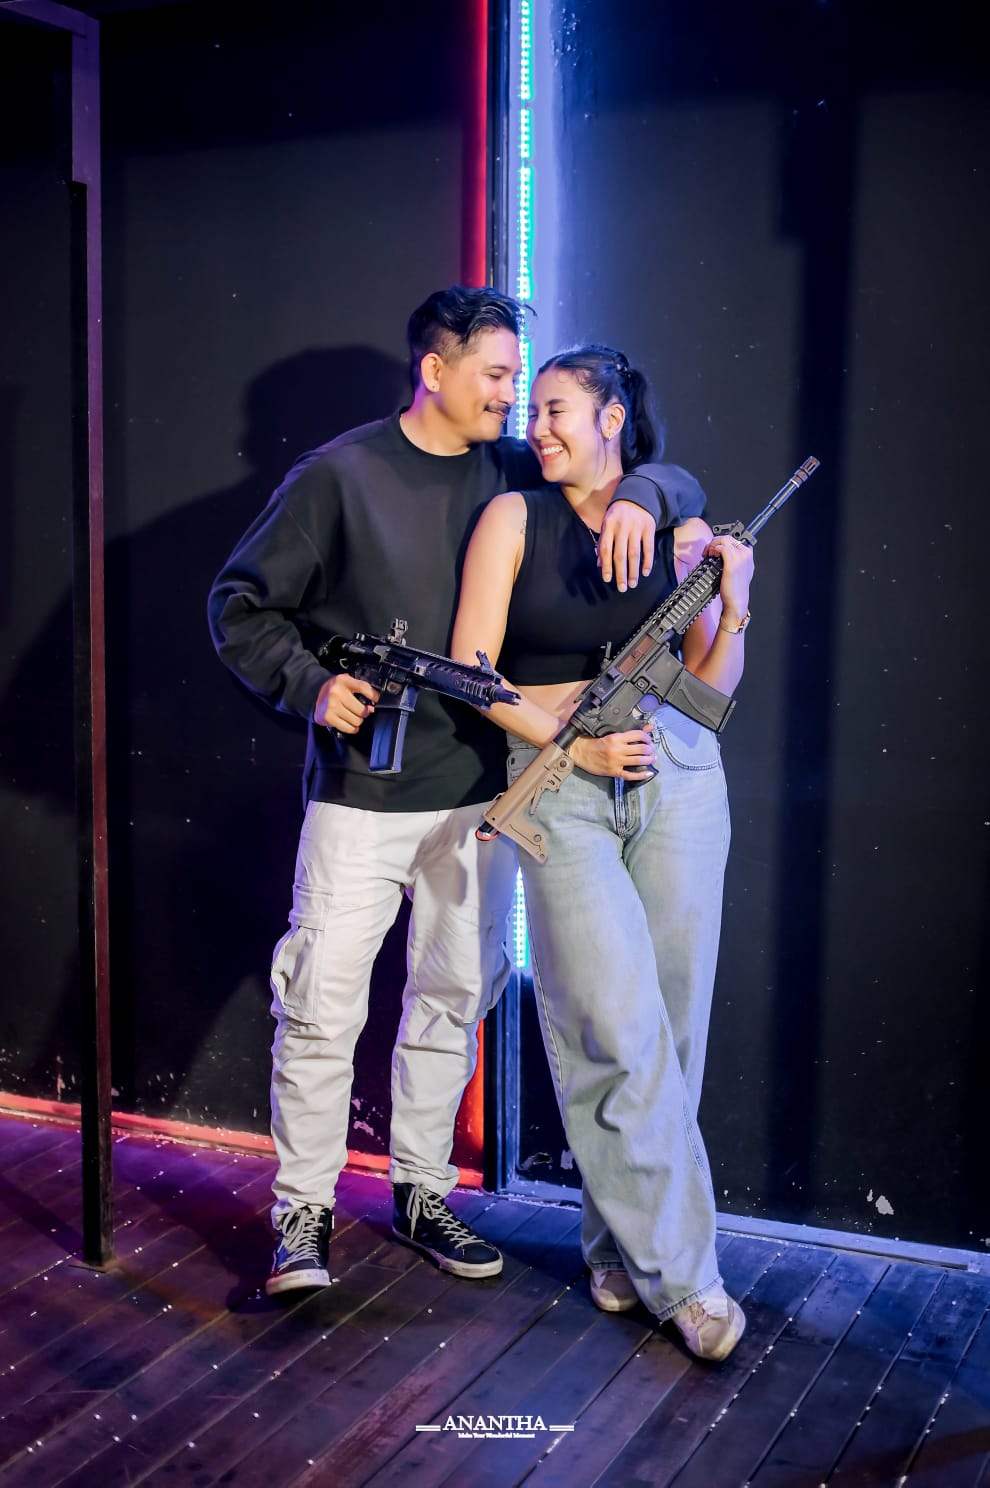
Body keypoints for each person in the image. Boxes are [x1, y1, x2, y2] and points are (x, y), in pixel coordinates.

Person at [208, 289, 706, 1297]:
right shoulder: (338, 476)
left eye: (523, 379)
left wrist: (649, 497)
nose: (515, 397)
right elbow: (240, 605)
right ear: (434, 370)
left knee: (452, 999)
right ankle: (301, 1212)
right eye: (496, 374)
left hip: (484, 789)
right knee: (322, 1005)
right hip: (362, 793)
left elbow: (659, 467)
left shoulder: (518, 465)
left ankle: (423, 1192)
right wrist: (312, 686)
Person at [451, 344, 754, 1360]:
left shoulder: (673, 519)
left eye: (556, 409)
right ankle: (691, 1285)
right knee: (611, 1031)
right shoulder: (512, 518)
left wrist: (732, 595)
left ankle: (620, 1246)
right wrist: (568, 739)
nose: (534, 427)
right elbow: (470, 669)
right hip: (561, 788)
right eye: (531, 409)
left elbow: (712, 683)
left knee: (671, 1031)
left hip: (679, 777)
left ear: (612, 418)